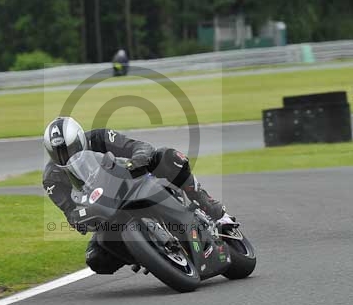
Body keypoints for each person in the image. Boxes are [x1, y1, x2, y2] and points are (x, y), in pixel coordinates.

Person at [42, 116, 237, 274]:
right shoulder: (52, 178)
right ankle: (147, 254)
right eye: (57, 153)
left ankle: (210, 206)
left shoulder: (100, 138)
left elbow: (139, 147)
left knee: (167, 157)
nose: (64, 156)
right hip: (105, 208)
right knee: (96, 259)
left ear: (80, 139)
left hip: (131, 180)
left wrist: (136, 162)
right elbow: (70, 212)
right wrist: (79, 219)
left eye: (69, 149)